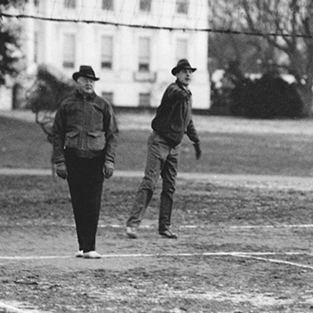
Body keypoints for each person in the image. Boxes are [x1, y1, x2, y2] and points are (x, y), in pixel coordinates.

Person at [125, 59, 202, 240]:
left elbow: (188, 121)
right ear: (176, 74)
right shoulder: (174, 90)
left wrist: (196, 142)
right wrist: (184, 95)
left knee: (169, 187)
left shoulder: (187, 94)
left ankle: (164, 226)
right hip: (159, 142)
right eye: (184, 71)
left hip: (175, 146)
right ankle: (132, 224)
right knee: (150, 182)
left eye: (190, 71)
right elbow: (176, 95)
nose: (188, 74)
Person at [52, 65, 119, 259]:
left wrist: (109, 161)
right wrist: (59, 161)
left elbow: (112, 135)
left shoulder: (103, 105)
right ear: (77, 81)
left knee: (93, 203)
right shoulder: (66, 106)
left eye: (92, 80)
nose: (89, 83)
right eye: (84, 79)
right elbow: (57, 134)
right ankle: (82, 246)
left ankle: (90, 246)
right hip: (73, 158)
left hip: (96, 160)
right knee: (78, 203)